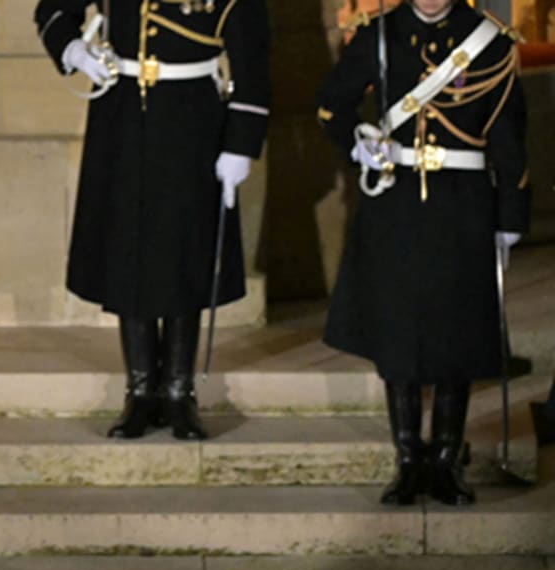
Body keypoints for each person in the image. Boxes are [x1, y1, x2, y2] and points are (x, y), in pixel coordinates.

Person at [319, 0, 526, 507]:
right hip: (396, 203)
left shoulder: (490, 42)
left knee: (457, 333)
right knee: (399, 332)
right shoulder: (378, 34)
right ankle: (409, 459)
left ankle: (447, 458)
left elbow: (509, 137)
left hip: (463, 206)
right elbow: (332, 104)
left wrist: (510, 216)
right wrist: (358, 144)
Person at [35, 0, 271, 440]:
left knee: (185, 251)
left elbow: (253, 56)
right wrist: (74, 50)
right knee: (128, 245)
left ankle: (179, 392)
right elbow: (54, 9)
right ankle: (141, 391)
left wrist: (241, 144)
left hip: (192, 118)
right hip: (122, 114)